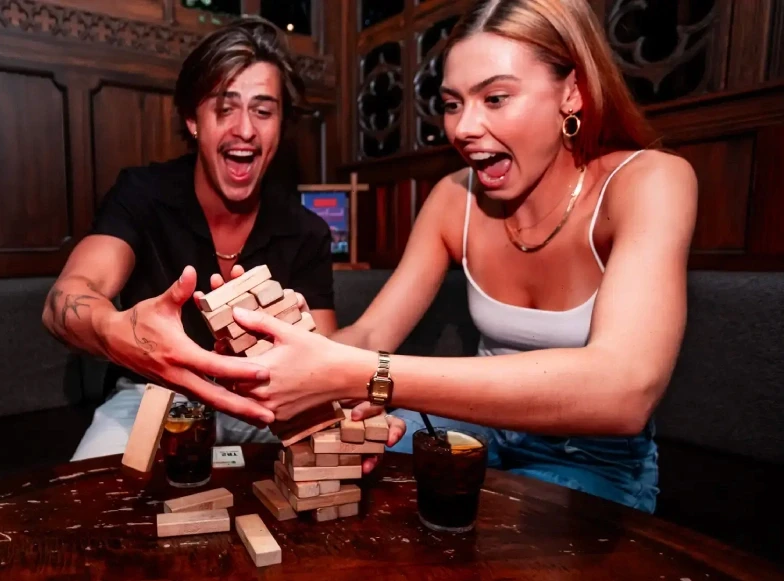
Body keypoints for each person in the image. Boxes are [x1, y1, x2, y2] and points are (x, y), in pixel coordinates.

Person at [226, 0, 698, 514]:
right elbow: (367, 337)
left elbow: (625, 390)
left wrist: (361, 373)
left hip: (594, 456)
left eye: (495, 98)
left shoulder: (650, 181)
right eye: (453, 104)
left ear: (572, 92)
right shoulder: (455, 198)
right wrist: (287, 353)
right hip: (476, 431)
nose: (464, 128)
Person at [41, 17, 341, 461]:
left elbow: (320, 356)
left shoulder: (307, 230)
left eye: (263, 110)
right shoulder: (142, 195)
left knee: (334, 473)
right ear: (192, 119)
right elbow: (62, 301)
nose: (245, 129)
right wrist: (118, 330)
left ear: (279, 125)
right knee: (92, 501)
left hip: (261, 402)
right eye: (225, 107)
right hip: (151, 393)